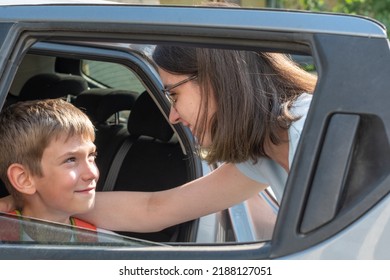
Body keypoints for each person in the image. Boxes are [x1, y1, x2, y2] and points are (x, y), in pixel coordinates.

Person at [0, 46, 317, 234]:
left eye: (174, 94)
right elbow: (155, 208)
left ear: (217, 81)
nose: (173, 116)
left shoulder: (311, 130)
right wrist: (30, 202)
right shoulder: (262, 154)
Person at [0, 99, 99, 241]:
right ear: (24, 179)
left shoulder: (101, 242)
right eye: (71, 160)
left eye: (92, 155)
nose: (92, 174)